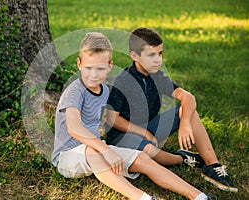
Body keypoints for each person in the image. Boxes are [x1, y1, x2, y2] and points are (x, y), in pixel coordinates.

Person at [51, 32, 212, 200]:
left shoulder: (104, 89)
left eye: (100, 69)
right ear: (79, 64)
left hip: (99, 148)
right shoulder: (74, 91)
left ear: (110, 66)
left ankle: (199, 196)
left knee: (142, 158)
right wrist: (106, 150)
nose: (94, 75)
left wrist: (108, 148)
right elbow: (74, 127)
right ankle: (143, 198)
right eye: (88, 68)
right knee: (93, 150)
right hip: (69, 156)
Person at [105, 27, 238, 193]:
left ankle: (212, 165)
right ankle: (182, 158)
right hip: (123, 136)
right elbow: (112, 119)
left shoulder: (157, 76)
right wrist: (143, 133)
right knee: (154, 153)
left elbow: (188, 97)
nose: (158, 60)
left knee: (188, 111)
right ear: (135, 56)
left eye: (160, 54)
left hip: (150, 128)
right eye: (151, 55)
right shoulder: (123, 80)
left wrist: (185, 124)